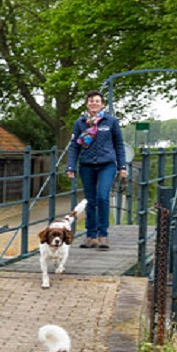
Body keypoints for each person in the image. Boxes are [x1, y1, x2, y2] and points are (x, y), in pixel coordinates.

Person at [65, 90, 127, 249]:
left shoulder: (111, 121)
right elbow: (74, 146)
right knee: (90, 200)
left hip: (107, 164)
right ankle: (91, 236)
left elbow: (119, 144)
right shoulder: (80, 123)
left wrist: (122, 166)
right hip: (86, 165)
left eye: (97, 101)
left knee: (102, 197)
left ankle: (103, 235)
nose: (94, 103)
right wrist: (70, 166)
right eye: (91, 101)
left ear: (102, 104)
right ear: (87, 104)